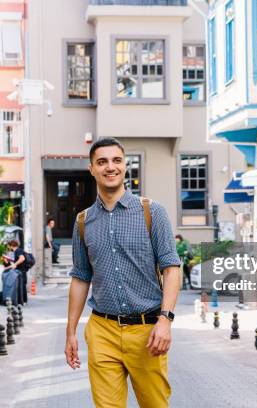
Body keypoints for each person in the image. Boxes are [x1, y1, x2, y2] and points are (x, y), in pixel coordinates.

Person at [65, 137, 182, 408]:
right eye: (102, 162)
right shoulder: (83, 221)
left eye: (116, 160)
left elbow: (171, 269)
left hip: (147, 331)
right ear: (92, 169)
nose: (110, 167)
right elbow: (81, 278)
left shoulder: (152, 212)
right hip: (102, 330)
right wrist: (70, 331)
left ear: (125, 165)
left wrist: (165, 321)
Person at [6, 240, 28, 305]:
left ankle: (23, 301)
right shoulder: (18, 250)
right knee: (22, 285)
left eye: (8, 246)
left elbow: (22, 258)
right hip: (21, 270)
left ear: (11, 245)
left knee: (22, 286)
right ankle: (23, 301)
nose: (8, 247)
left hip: (21, 271)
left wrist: (15, 264)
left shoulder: (18, 250)